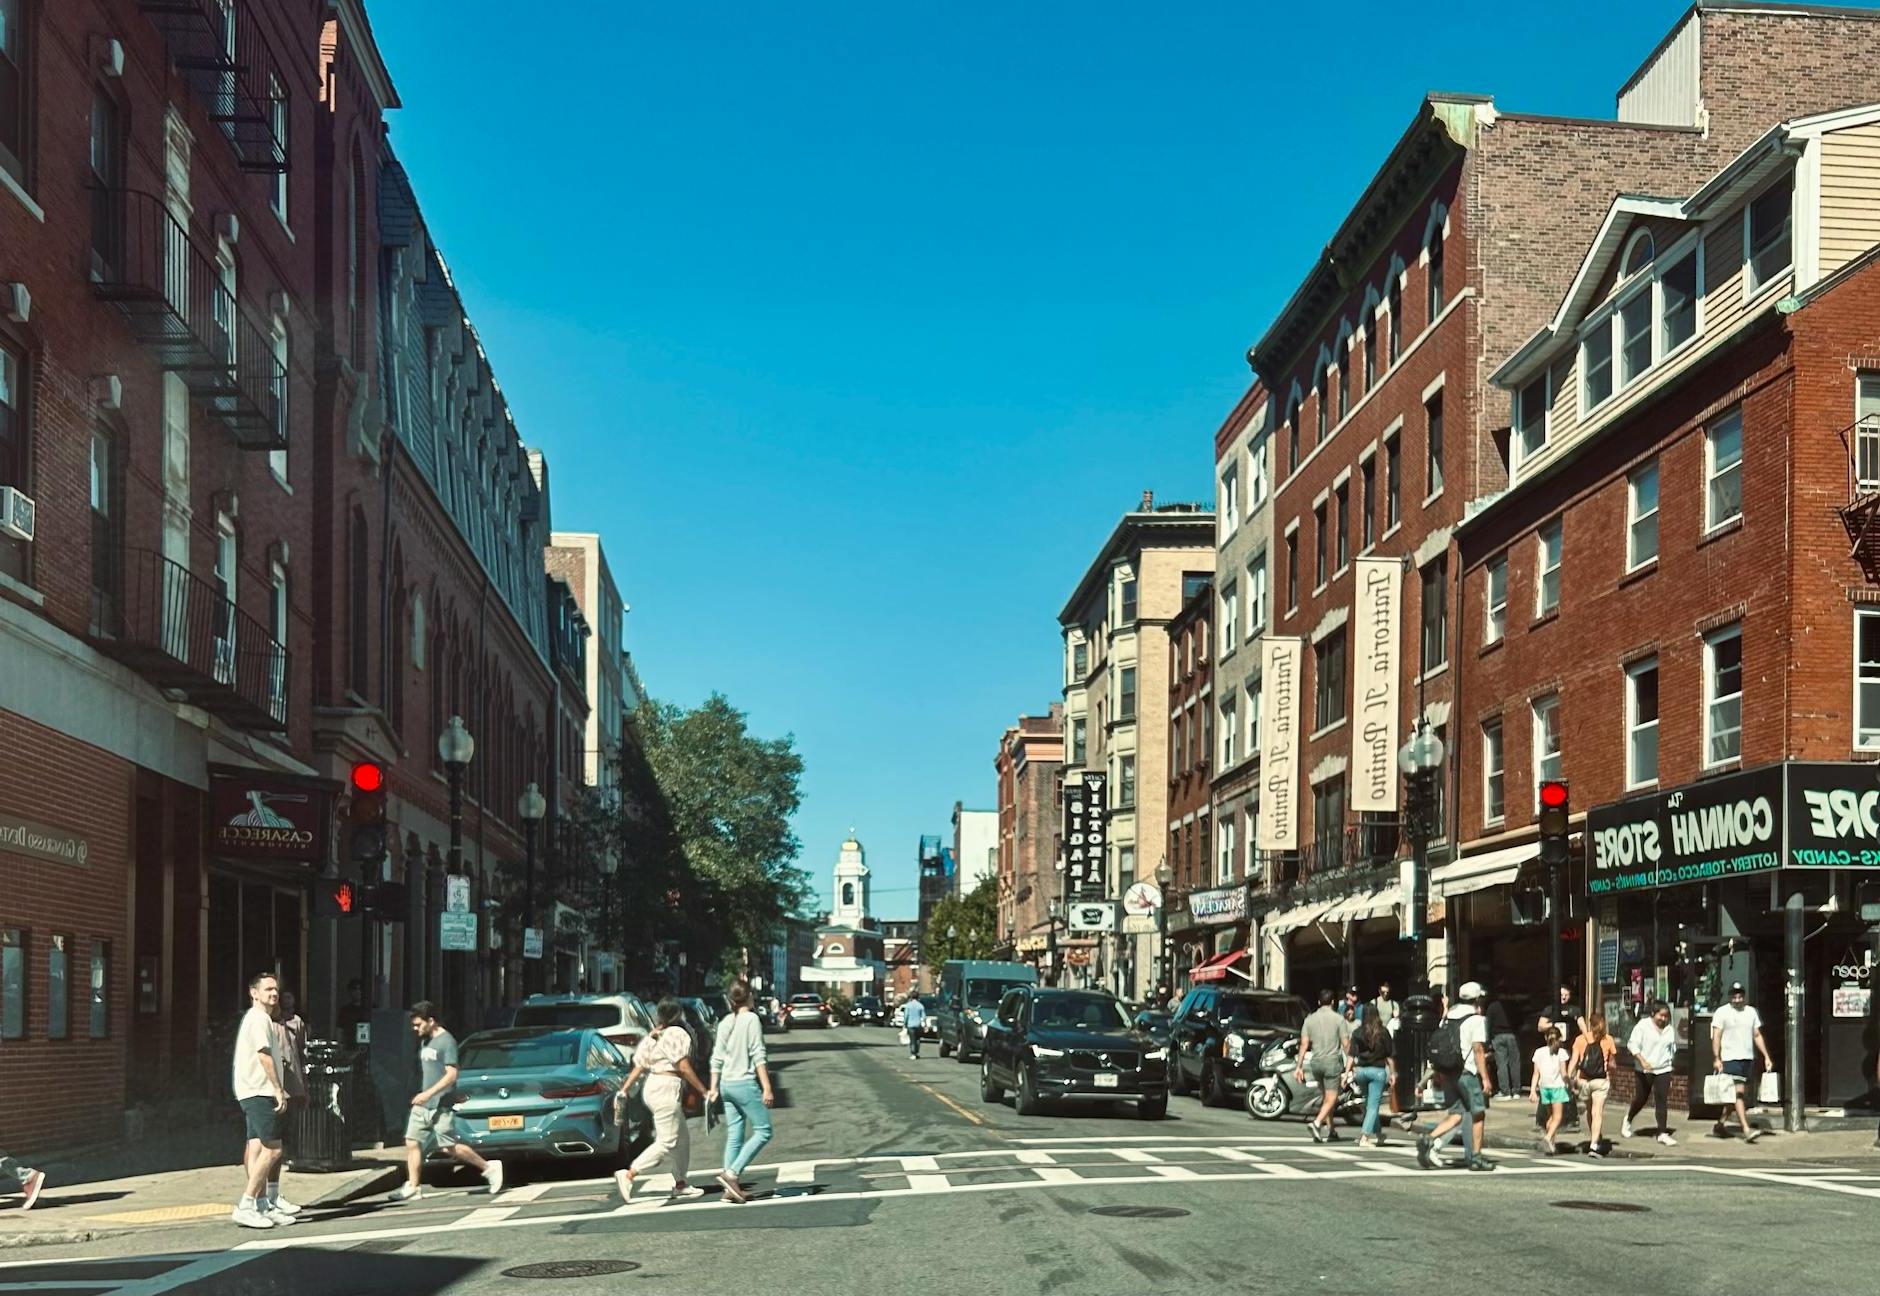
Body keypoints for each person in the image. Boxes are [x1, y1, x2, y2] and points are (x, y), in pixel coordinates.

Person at [389, 1001, 503, 1202]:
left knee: (449, 1147)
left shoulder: (447, 1041)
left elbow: (451, 1075)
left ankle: (489, 1168)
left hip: (440, 1104)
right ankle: (413, 1187)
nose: (415, 1029)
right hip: (423, 1104)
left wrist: (430, 1093)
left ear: (431, 1021)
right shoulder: (425, 1041)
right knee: (412, 1142)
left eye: (418, 1024)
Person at [614, 998, 710, 1202]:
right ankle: (630, 1174)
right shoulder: (677, 1033)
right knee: (667, 1141)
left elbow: (639, 1065)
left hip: (652, 1086)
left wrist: (624, 1089)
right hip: (666, 1086)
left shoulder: (654, 1035)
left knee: (681, 1138)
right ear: (678, 1014)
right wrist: (703, 1090)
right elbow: (683, 1066)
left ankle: (681, 1183)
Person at [231, 972, 294, 1229]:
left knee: (257, 1145)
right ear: (253, 993)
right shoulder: (258, 1019)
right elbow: (264, 1054)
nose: (273, 994)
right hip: (259, 1090)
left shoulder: (260, 1019)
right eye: (267, 989)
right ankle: (246, 1204)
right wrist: (278, 1089)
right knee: (273, 1149)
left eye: (275, 989)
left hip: (252, 1090)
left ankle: (261, 1205)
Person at [707, 983, 775, 1204]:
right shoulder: (752, 1019)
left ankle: (730, 1189)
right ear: (750, 997)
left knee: (735, 1133)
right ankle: (732, 1174)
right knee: (763, 1131)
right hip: (744, 1082)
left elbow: (716, 1057)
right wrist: (766, 1087)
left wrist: (714, 1087)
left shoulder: (726, 1021)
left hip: (726, 1083)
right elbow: (758, 1054)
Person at [1418, 981, 1495, 1172]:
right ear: (1478, 998)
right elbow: (1478, 1050)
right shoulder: (1476, 1019)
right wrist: (1485, 1078)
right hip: (1466, 1072)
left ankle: (1429, 1139)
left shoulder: (1449, 1015)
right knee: (1478, 1114)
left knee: (1456, 1114)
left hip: (1448, 1071)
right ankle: (1476, 1157)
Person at [1710, 982, 1774, 1143]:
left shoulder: (1751, 1012)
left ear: (1744, 997)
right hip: (1730, 1058)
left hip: (1747, 1058)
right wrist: (1717, 1058)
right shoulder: (1722, 1012)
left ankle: (1720, 1124)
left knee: (1736, 1096)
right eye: (1734, 996)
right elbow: (1716, 1035)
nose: (1737, 999)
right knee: (1738, 1094)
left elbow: (1757, 1035)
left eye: (1740, 996)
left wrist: (1766, 1056)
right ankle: (1746, 1129)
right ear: (1730, 996)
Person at [269, 990, 308, 1216]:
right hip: (274, 1091)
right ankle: (265, 1194)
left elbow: (300, 1054)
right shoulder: (268, 1025)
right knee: (270, 1144)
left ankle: (273, 1193)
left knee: (283, 1142)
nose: (286, 1005)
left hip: (293, 1087)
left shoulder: (296, 1024)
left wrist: (305, 1088)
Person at [1296, 988, 1353, 1143]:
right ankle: (1316, 1123)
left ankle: (1331, 1130)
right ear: (1333, 1002)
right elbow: (1346, 1043)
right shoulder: (1338, 1019)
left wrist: (1299, 1066)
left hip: (1316, 1062)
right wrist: (1351, 1059)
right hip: (1332, 1061)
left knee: (1326, 1098)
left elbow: (1304, 1043)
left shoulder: (1309, 1019)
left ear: (1319, 1002)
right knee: (1332, 1097)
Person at [1624, 1000, 1678, 1146]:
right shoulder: (1643, 1026)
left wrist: (1671, 1063)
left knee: (1661, 1100)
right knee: (1641, 1099)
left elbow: (1671, 1048)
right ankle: (1628, 1118)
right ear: (1653, 1014)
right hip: (1645, 1069)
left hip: (1663, 1068)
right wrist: (1642, 1061)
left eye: (1666, 1016)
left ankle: (1662, 1133)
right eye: (1661, 1015)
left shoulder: (1669, 1029)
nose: (1664, 1019)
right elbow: (1632, 1044)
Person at [1569, 1010, 1619, 1156]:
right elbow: (1612, 1064)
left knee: (1590, 1111)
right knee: (1597, 1112)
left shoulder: (1580, 1040)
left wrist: (1569, 1078)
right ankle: (1594, 1143)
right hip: (1601, 1081)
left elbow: (1573, 1061)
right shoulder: (1608, 1040)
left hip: (1583, 1080)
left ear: (1590, 1025)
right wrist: (1612, 1076)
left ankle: (1594, 1136)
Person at [1349, 1005, 1395, 1148]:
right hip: (1377, 1071)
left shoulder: (1357, 1032)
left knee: (1369, 1103)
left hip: (1361, 1071)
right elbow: (1390, 1056)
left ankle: (1379, 1133)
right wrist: (1393, 1073)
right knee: (1374, 1106)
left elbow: (1351, 1055)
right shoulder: (1383, 1032)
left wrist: (1347, 1072)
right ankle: (1365, 1136)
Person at [1529, 1026, 1571, 1154]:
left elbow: (1536, 1073)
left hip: (1544, 1087)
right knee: (1558, 1117)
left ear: (1546, 1037)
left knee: (1551, 1117)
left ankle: (1551, 1145)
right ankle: (1547, 1138)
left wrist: (1532, 1090)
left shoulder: (1539, 1052)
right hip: (1557, 1086)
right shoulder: (1562, 1053)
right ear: (1559, 1039)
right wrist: (1569, 1083)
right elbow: (1564, 1073)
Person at [1485, 997, 1520, 1100]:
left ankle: (1505, 1091)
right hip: (1512, 1034)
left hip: (1498, 1036)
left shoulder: (1492, 1006)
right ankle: (1516, 1090)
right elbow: (1520, 1020)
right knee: (1515, 1063)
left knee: (1501, 1064)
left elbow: (1488, 1023)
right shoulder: (1514, 1005)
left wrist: (1488, 1039)